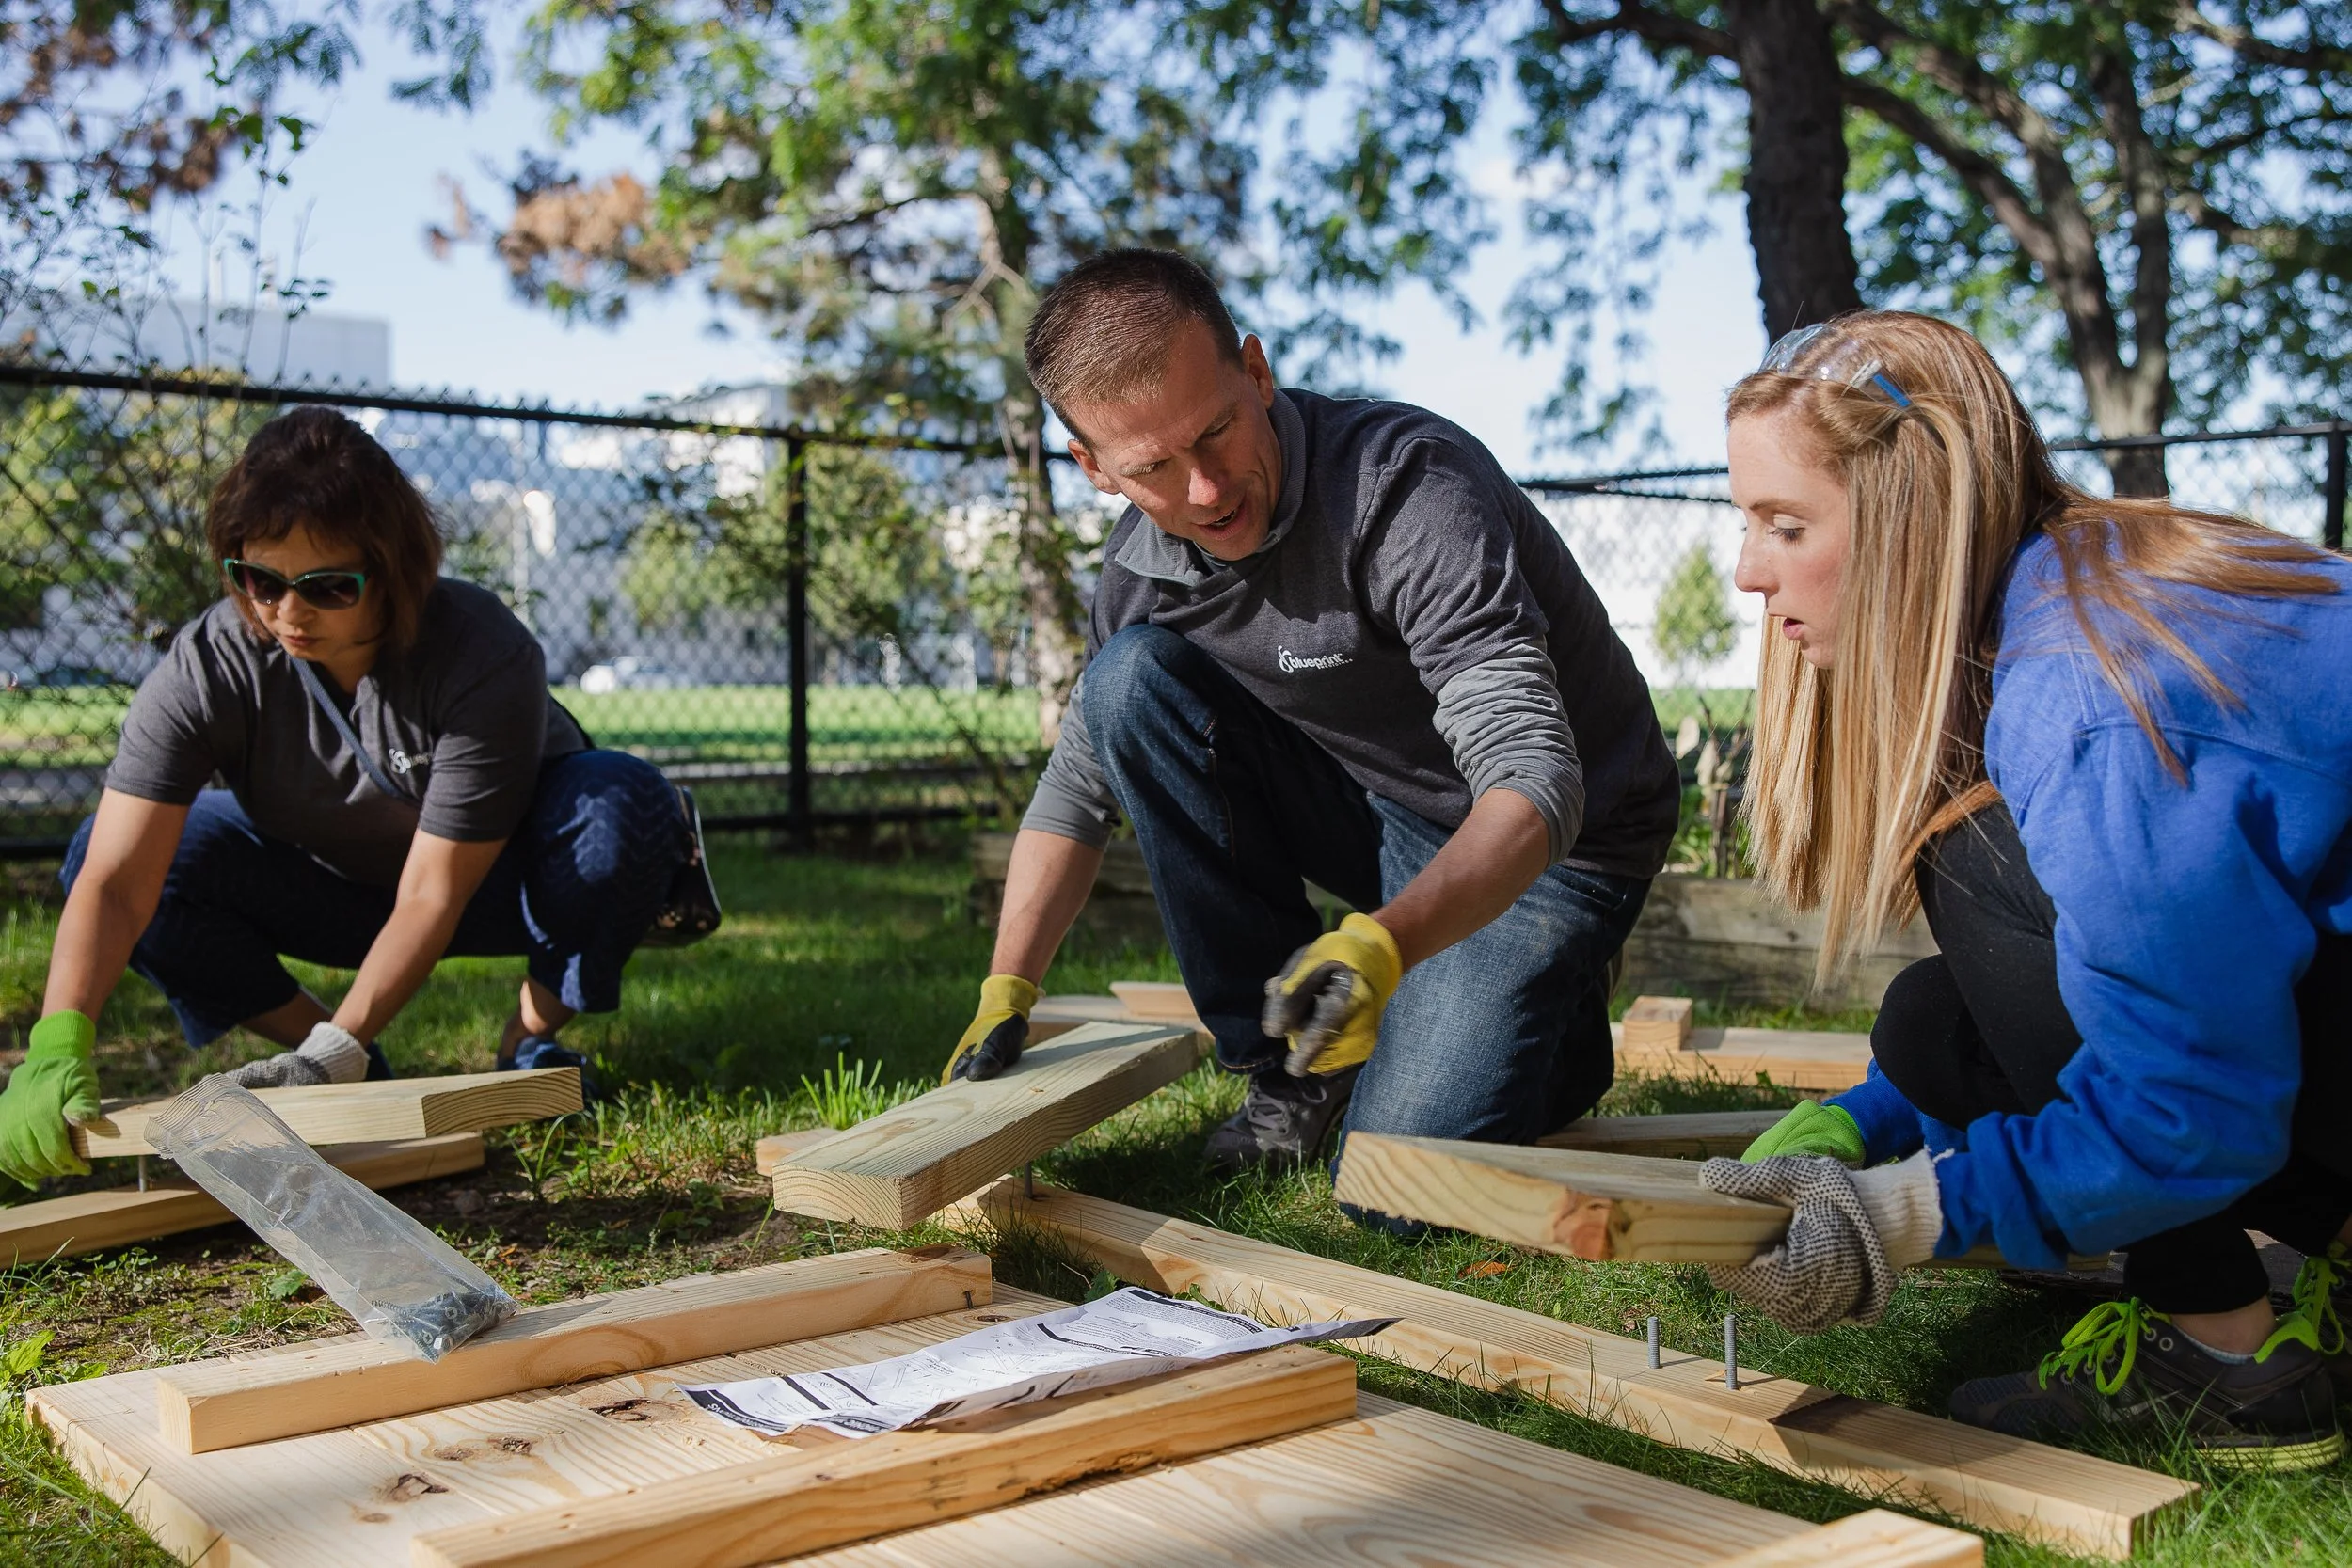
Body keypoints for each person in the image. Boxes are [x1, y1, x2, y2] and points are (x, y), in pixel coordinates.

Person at [1705, 310, 2352, 1468]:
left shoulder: (2089, 691)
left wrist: (1901, 1215)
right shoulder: (2071, 585)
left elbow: (2188, 1111)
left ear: (1908, 516)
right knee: (1928, 1018)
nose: (1751, 572)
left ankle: (2233, 1366)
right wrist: (1865, 1124)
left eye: (1784, 524)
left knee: (1977, 864)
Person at [943, 248, 1681, 1184]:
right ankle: (1283, 1070)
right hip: (1383, 803)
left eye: (1215, 430)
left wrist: (1382, 944)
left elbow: (1536, 776)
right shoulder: (1139, 576)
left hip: (1562, 839)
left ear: (1255, 371)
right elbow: (1073, 794)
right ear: (1093, 468)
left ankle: (1556, 1019)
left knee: (1396, 1188)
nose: (1205, 489)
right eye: (1154, 466)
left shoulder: (1406, 488)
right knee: (1126, 682)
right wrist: (1008, 987)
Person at [0, 405, 693, 1190]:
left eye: (327, 587)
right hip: (331, 884)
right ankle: (337, 1056)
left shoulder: (480, 650)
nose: (287, 614)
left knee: (623, 799)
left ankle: (527, 1043)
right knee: (106, 846)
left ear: (392, 571)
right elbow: (118, 878)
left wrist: (338, 1045)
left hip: (500, 883)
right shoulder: (210, 664)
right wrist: (57, 1041)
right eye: (261, 581)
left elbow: (434, 889)